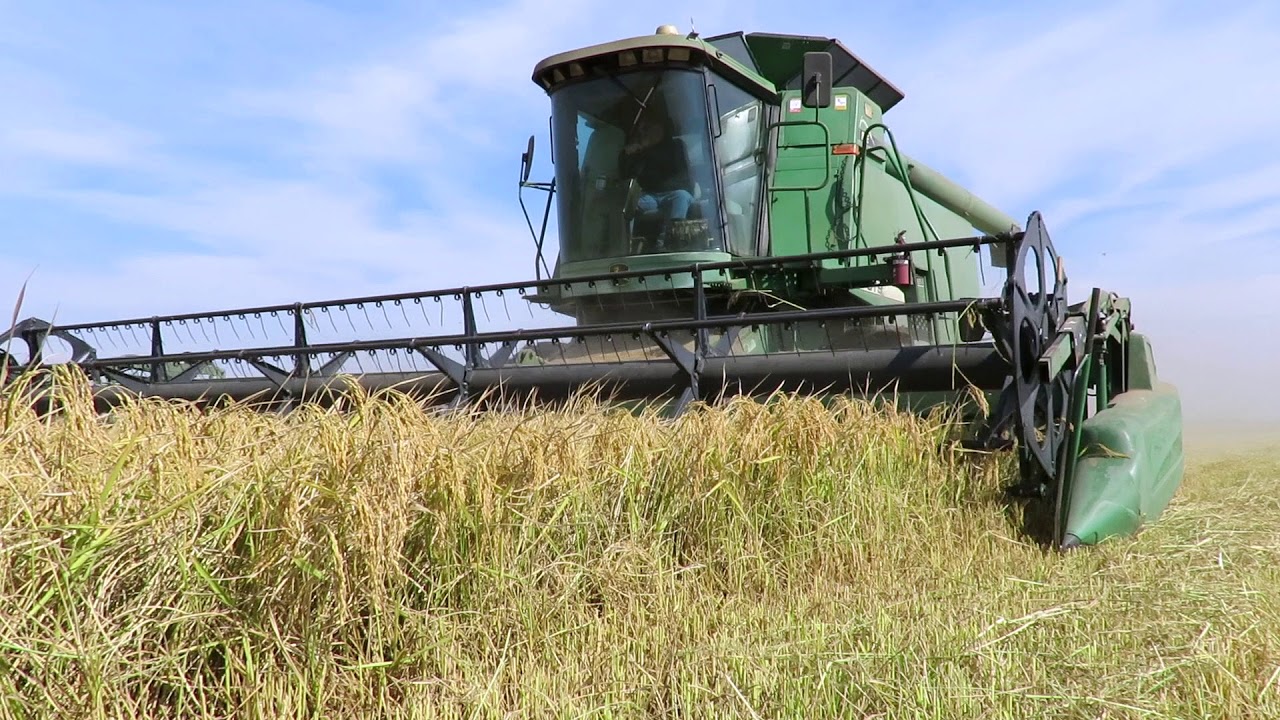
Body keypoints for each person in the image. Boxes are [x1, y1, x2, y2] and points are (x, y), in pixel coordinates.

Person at [620, 115, 695, 249]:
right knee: (627, 204)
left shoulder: (677, 147)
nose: (645, 133)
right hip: (650, 196)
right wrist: (629, 156)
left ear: (661, 128)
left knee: (682, 197)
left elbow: (684, 175)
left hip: (674, 193)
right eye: (642, 130)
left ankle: (671, 242)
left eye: (648, 128)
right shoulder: (642, 152)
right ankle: (625, 246)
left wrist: (650, 153)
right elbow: (628, 175)